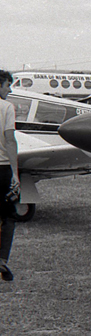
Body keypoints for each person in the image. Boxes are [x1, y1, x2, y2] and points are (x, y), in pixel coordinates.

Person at [0, 69, 19, 281]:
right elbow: (10, 140)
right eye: (7, 85)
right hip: (2, 168)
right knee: (8, 217)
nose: (10, 89)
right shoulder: (6, 108)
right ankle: (2, 261)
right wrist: (15, 173)